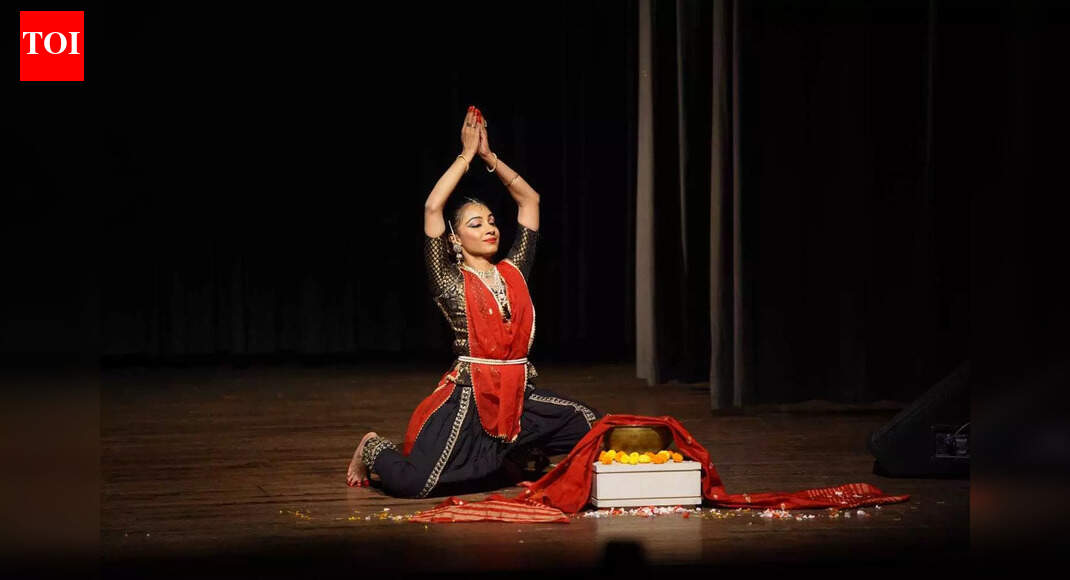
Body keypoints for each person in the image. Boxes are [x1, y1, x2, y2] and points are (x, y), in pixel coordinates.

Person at [345, 106, 601, 498]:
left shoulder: (513, 270)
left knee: (588, 424)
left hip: (517, 395)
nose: (490, 227)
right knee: (417, 483)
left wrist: (489, 158)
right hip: (468, 400)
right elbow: (433, 208)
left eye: (491, 220)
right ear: (455, 240)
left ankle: (517, 452)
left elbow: (529, 201)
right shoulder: (449, 279)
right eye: (475, 223)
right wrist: (465, 156)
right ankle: (374, 448)